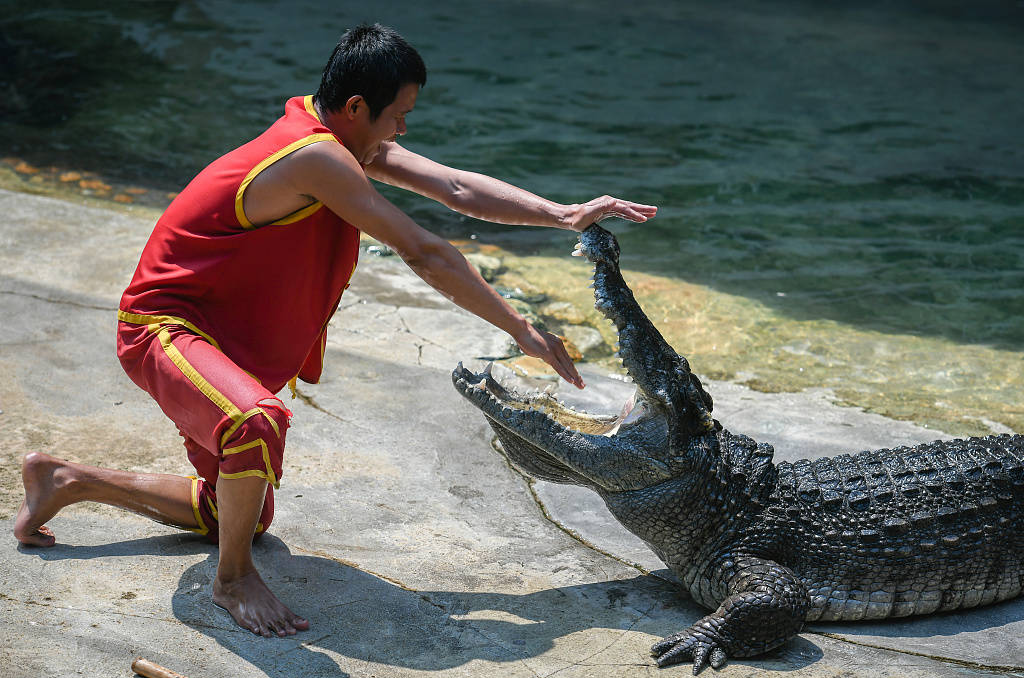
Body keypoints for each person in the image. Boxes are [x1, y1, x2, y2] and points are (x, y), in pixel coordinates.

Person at [13, 23, 656, 637]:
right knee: (256, 424)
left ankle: (67, 481)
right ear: (355, 106)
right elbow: (423, 249)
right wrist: (522, 329)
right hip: (163, 328)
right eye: (399, 114)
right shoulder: (314, 157)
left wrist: (563, 213)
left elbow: (456, 188)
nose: (404, 128)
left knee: (238, 512)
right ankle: (232, 581)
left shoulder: (339, 139)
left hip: (213, 335)